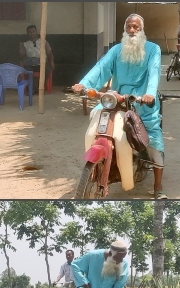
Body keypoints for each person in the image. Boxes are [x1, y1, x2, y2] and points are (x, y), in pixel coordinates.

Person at [71, 14, 167, 199]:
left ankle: (158, 187)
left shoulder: (153, 50)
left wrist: (149, 94)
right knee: (96, 114)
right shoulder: (116, 50)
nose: (132, 30)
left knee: (152, 138)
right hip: (116, 99)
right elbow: (101, 68)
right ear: (124, 29)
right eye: (129, 27)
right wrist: (84, 84)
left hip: (141, 102)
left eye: (136, 27)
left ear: (142, 30)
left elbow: (154, 73)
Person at [19, 24, 55, 94]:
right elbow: (22, 56)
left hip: (42, 63)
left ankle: (40, 88)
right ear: (27, 33)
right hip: (30, 63)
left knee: (47, 69)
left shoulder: (43, 41)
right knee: (27, 70)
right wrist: (21, 49)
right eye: (30, 32)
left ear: (36, 32)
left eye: (33, 31)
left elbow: (49, 53)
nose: (32, 33)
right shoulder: (25, 44)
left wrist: (51, 62)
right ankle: (31, 88)